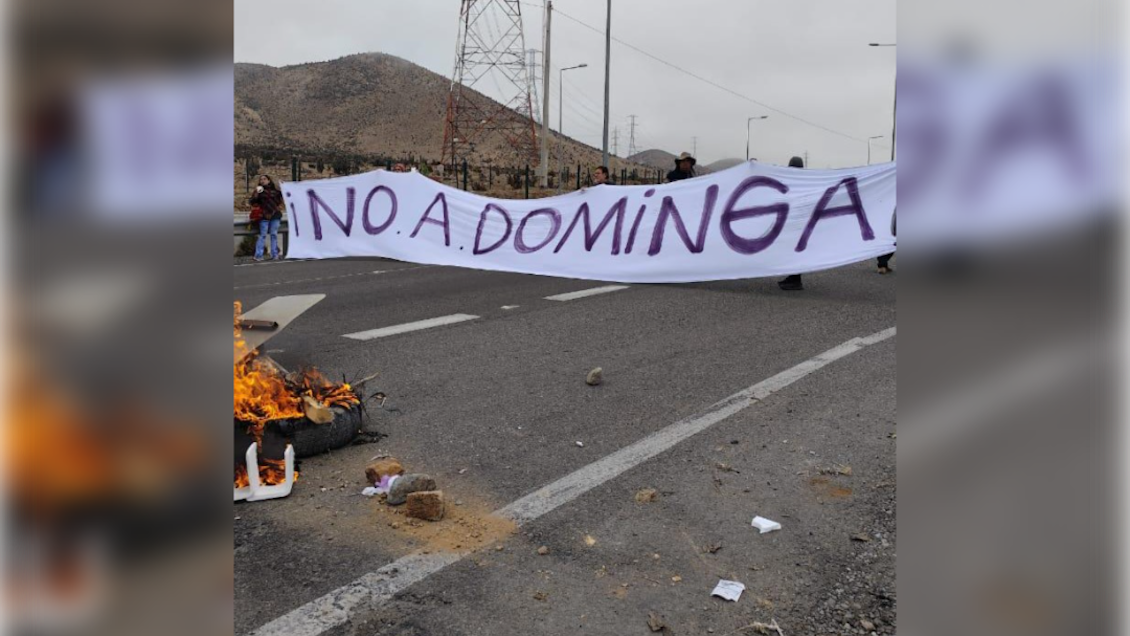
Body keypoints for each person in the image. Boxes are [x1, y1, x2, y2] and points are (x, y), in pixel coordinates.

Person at [778, 156, 807, 291]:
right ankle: (794, 277)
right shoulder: (805, 182)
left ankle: (795, 280)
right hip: (799, 223)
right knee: (795, 251)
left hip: (796, 223)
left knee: (795, 251)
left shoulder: (794, 182)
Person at [250, 175, 283, 261]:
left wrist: (282, 186)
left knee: (274, 234)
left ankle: (274, 254)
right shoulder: (259, 190)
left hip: (275, 215)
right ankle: (258, 255)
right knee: (263, 235)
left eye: (264, 179)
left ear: (269, 180)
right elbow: (252, 202)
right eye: (261, 179)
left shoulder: (275, 191)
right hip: (263, 215)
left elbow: (282, 198)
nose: (262, 180)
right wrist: (256, 194)